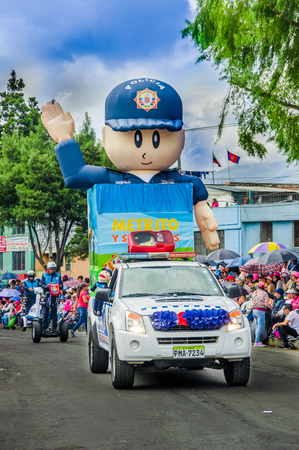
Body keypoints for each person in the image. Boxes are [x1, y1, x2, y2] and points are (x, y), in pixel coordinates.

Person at [41, 78, 220, 251]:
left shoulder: (178, 181)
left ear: (182, 138)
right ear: (105, 137)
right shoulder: (110, 179)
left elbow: (198, 195)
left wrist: (203, 212)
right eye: (137, 138)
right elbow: (75, 176)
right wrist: (63, 138)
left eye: (157, 139)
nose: (146, 151)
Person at [40, 261, 63, 331]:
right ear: (48, 269)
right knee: (45, 312)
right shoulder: (44, 275)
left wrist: (60, 286)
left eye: (53, 269)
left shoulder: (58, 275)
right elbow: (42, 285)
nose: (52, 270)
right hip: (47, 295)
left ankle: (54, 327)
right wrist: (47, 286)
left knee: (54, 312)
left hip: (55, 295)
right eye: (51, 269)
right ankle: (44, 327)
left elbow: (61, 284)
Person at [251, 281, 272, 347]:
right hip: (261, 311)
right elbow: (266, 303)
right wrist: (270, 306)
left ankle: (256, 340)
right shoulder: (264, 293)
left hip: (254, 310)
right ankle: (257, 341)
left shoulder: (254, 292)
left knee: (257, 326)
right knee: (259, 327)